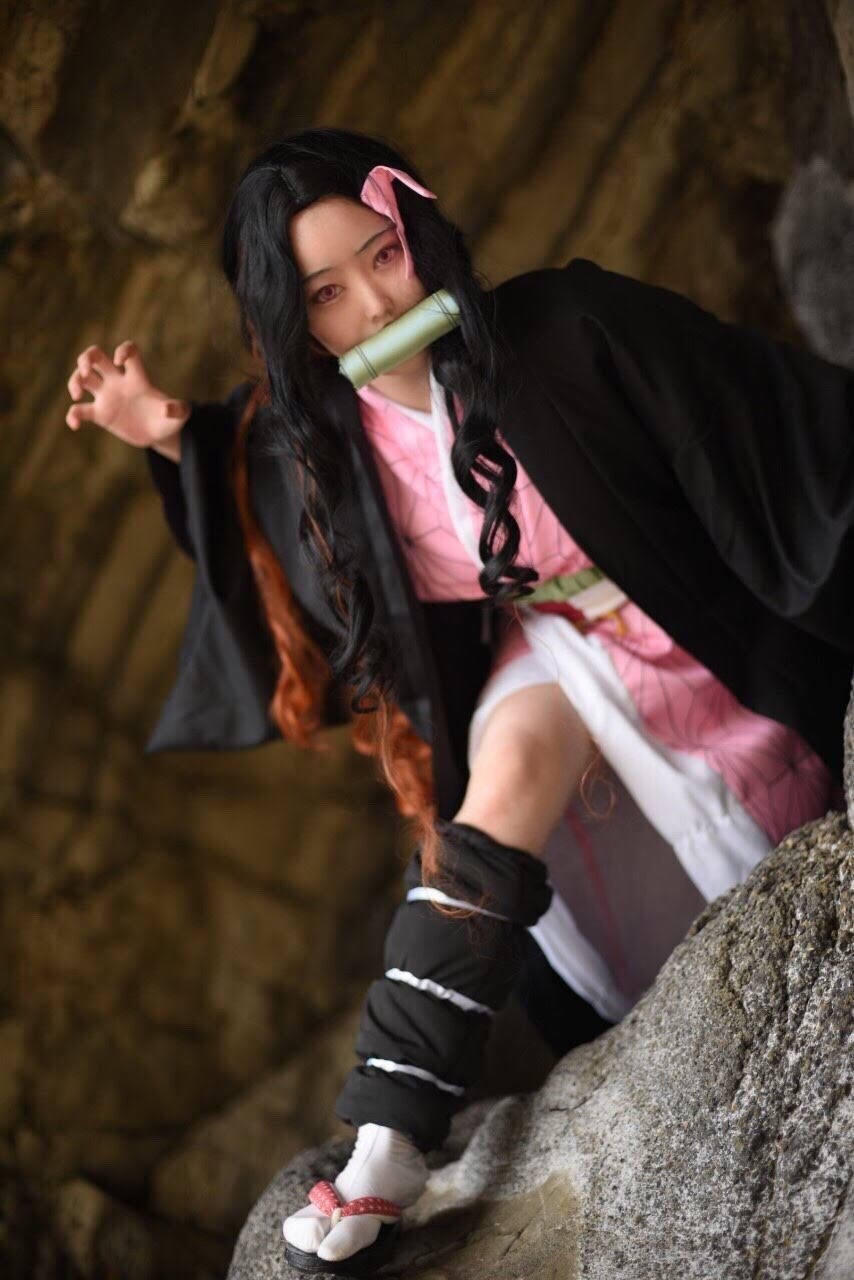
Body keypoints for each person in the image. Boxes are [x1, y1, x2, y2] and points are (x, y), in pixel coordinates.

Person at [64, 126, 852, 1273]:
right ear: (296, 323)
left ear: (417, 233)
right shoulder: (326, 450)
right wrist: (172, 432)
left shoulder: (566, 329)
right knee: (504, 776)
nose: (376, 301)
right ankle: (386, 1140)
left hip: (681, 629)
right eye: (326, 293)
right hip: (548, 643)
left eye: (384, 254)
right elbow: (251, 475)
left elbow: (754, 415)